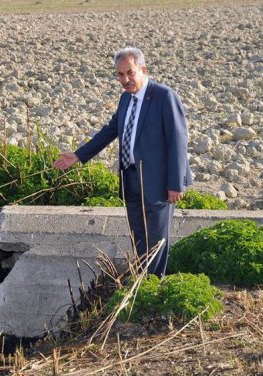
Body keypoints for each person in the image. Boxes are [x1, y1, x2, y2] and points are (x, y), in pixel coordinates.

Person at [53, 47, 193, 277]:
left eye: (130, 73)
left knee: (157, 240)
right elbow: (110, 131)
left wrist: (176, 183)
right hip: (130, 179)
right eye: (120, 74)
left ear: (143, 69)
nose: (125, 79)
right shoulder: (125, 99)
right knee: (139, 237)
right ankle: (142, 280)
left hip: (158, 183)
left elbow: (178, 141)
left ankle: (151, 288)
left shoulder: (164, 96)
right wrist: (79, 155)